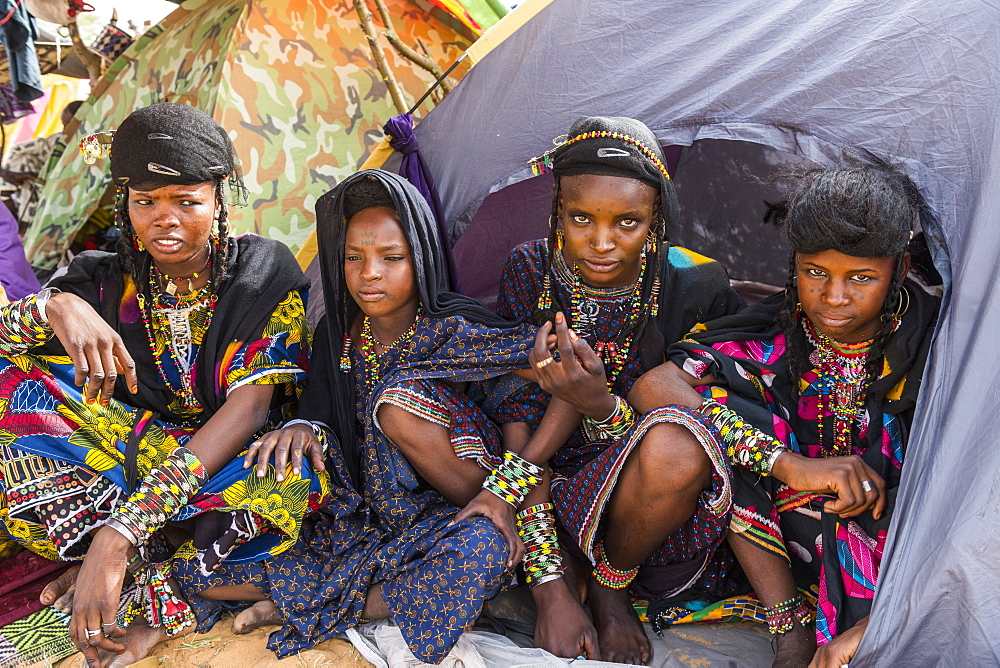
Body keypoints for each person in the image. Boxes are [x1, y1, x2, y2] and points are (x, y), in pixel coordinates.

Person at [171, 170, 575, 664]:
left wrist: (505, 493)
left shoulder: (456, 329)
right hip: (355, 525)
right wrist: (300, 427)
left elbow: (570, 381)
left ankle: (305, 605)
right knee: (204, 574)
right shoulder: (337, 339)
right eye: (353, 259)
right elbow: (315, 414)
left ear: (421, 257)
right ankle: (340, 601)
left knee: (481, 550)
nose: (369, 274)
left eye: (391, 258)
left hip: (443, 523)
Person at [0, 102, 327, 668]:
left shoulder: (262, 275)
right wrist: (57, 306)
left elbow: (248, 413)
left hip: (223, 472)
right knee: (13, 390)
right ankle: (134, 556)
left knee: (295, 479)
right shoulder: (103, 278)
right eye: (145, 201)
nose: (163, 219)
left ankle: (154, 592)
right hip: (125, 457)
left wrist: (120, 533)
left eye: (186, 201)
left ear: (219, 200)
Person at [471, 115, 744, 664]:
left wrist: (597, 404)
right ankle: (559, 576)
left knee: (680, 448)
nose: (600, 243)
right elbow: (519, 415)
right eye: (580, 218)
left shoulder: (693, 285)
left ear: (657, 220)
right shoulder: (532, 271)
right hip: (534, 466)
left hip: (642, 492)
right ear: (556, 213)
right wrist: (549, 587)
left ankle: (610, 592)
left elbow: (684, 419)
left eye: (628, 222)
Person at [647, 166, 938, 667]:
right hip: (782, 548)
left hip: (901, 548)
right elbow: (654, 385)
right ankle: (790, 626)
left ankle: (871, 622)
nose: (834, 297)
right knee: (712, 414)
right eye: (815, 272)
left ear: (899, 266)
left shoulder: (938, 347)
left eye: (862, 277)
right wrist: (788, 464)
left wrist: (880, 623)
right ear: (794, 264)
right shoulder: (779, 330)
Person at [1, 100, 83, 230]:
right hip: (36, 180)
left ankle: (8, 195)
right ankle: (8, 193)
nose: (65, 131)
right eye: (64, 126)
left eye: (68, 126)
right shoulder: (57, 140)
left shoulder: (80, 145)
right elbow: (19, 150)